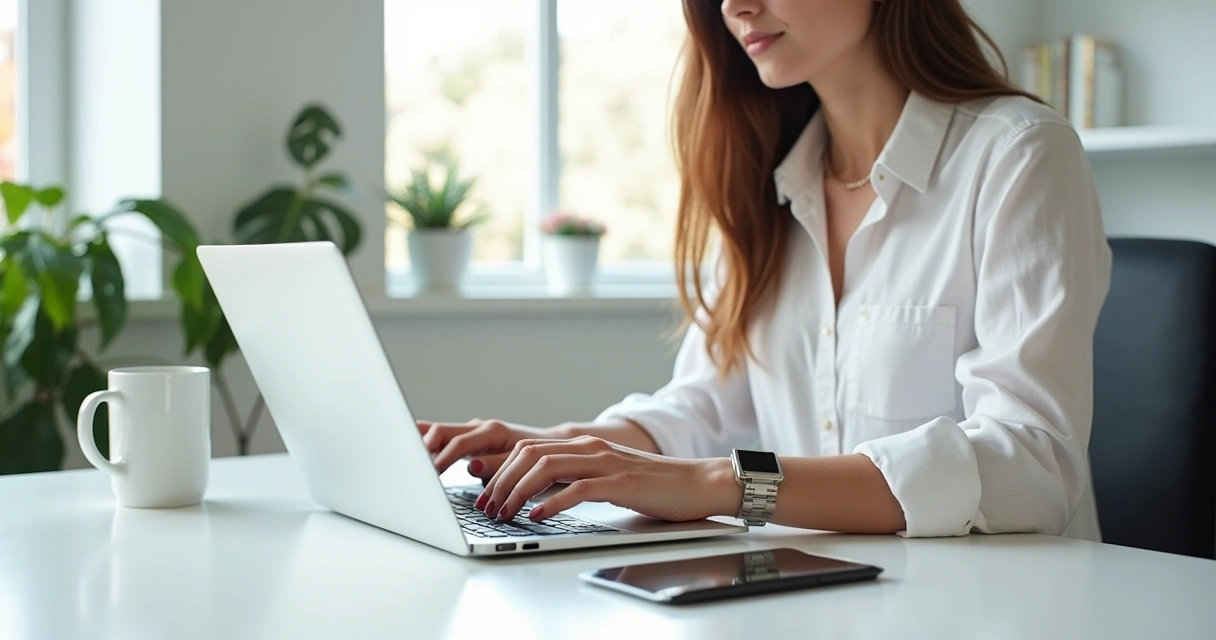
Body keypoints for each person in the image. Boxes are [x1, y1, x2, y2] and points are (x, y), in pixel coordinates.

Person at [419, 0, 1111, 539]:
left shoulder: (1018, 156)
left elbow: (1031, 465)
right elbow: (703, 406)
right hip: (824, 594)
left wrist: (725, 484)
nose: (736, 7)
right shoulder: (769, 186)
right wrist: (560, 448)